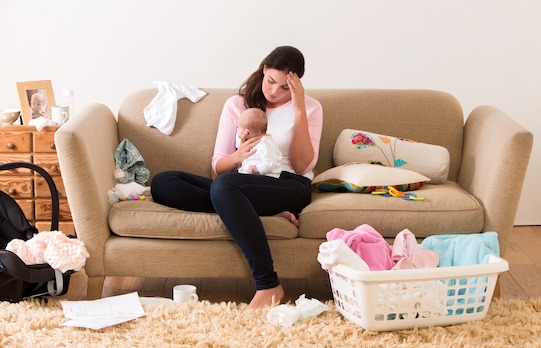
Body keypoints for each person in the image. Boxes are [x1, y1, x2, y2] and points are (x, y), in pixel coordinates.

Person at [151, 46, 323, 309]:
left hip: (290, 185)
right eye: (271, 81)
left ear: (297, 85)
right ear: (264, 69)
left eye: (285, 88)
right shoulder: (237, 105)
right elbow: (219, 166)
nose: (274, 91)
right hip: (242, 182)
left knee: (224, 187)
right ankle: (254, 210)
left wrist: (298, 108)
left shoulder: (311, 108)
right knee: (164, 182)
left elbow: (301, 166)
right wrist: (238, 156)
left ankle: (268, 284)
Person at [236, 107, 282, 177]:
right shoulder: (251, 144)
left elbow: (270, 163)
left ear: (247, 133)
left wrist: (256, 169)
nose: (237, 130)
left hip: (266, 178)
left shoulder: (265, 143)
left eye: (238, 127)